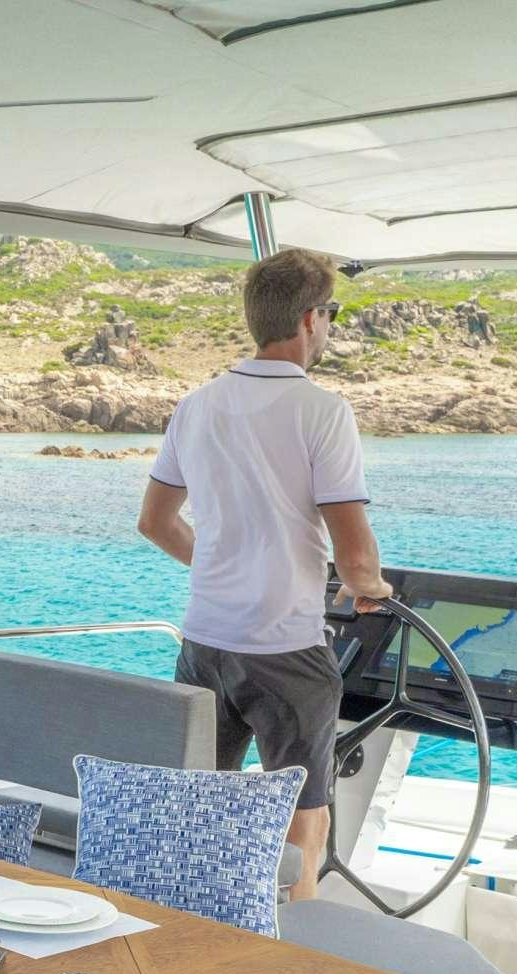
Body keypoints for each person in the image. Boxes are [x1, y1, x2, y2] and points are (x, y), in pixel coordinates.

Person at [136, 247, 393, 900]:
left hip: (205, 643)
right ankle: (291, 954)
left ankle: (200, 926)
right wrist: (372, 590)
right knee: (302, 816)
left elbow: (158, 522)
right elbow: (357, 558)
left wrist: (229, 567)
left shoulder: (197, 406)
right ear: (310, 319)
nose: (329, 326)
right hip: (285, 649)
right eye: (330, 313)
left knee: (203, 806)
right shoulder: (323, 412)